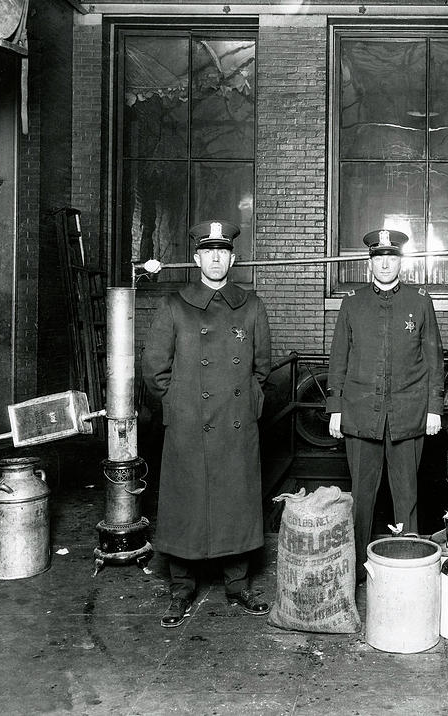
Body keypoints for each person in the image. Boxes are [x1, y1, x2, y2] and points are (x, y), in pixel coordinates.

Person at [143, 219, 271, 628]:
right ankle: (181, 588)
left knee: (236, 501)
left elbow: (262, 369)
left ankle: (238, 585)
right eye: (208, 251)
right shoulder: (175, 305)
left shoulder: (251, 306)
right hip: (188, 424)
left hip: (235, 424)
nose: (216, 258)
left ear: (233, 258)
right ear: (197, 257)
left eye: (223, 251)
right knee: (186, 504)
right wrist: (179, 406)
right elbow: (154, 370)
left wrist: (246, 403)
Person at [326, 229, 445, 578]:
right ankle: (357, 574)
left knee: (406, 497)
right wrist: (335, 408)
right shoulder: (353, 303)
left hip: (408, 416)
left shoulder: (420, 302)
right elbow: (338, 360)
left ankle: (406, 570)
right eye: (379, 258)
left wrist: (434, 408)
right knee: (361, 500)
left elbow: (434, 360)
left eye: (391, 257)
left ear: (400, 262)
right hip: (361, 415)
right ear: (370, 262)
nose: (385, 264)